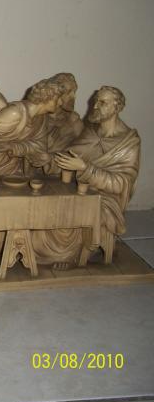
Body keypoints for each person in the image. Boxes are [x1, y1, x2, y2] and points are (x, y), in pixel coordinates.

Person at [53, 86, 140, 268]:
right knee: (48, 208)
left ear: (117, 107)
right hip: (79, 190)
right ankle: (55, 252)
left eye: (102, 103)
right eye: (95, 101)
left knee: (69, 214)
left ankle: (70, 254)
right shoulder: (91, 132)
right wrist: (48, 159)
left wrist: (85, 169)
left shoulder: (128, 142)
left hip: (106, 200)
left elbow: (122, 184)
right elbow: (71, 154)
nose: (95, 106)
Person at [42, 73, 84, 175]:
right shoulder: (38, 118)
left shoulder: (73, 120)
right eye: (69, 92)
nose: (74, 96)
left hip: (63, 173)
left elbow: (83, 150)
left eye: (74, 92)